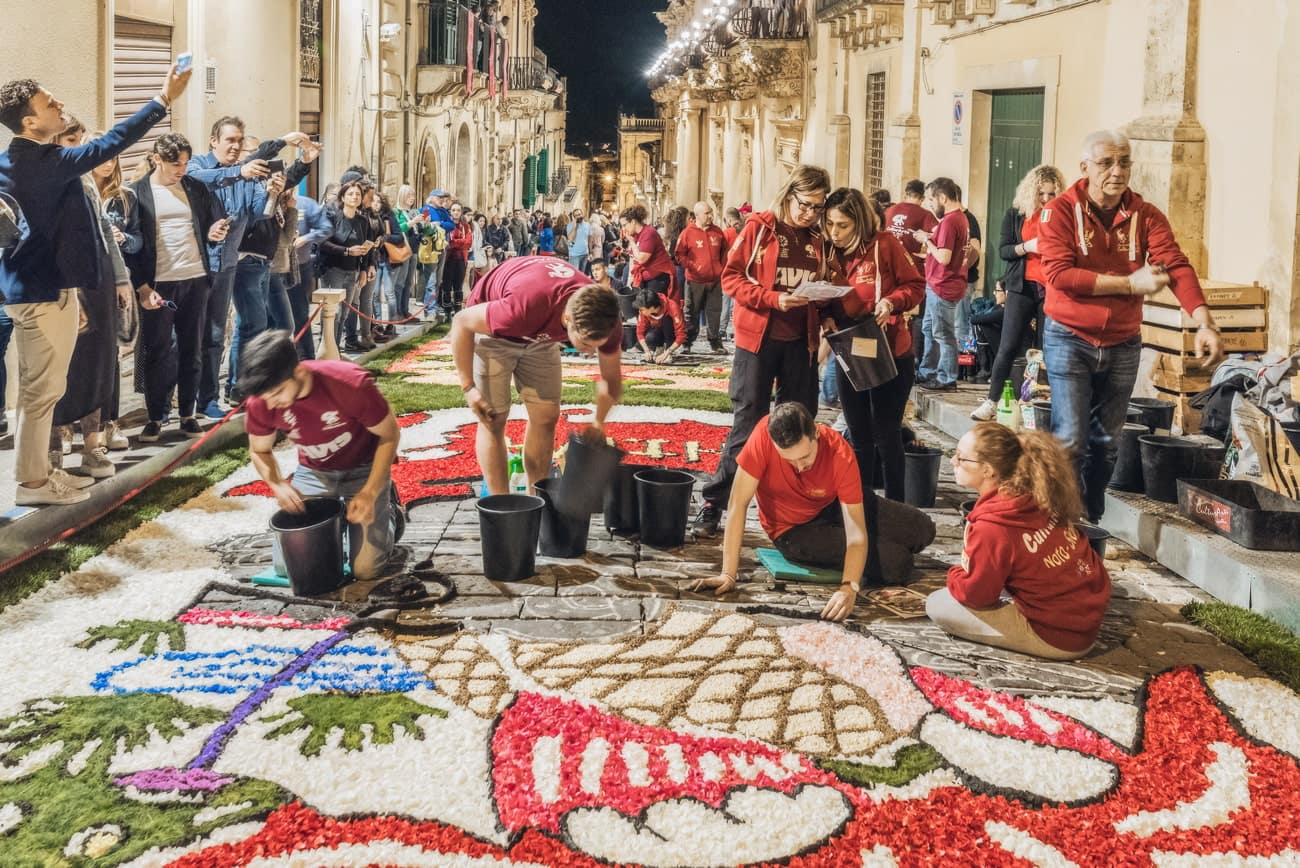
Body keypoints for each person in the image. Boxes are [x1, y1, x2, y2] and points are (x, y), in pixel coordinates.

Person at [0, 66, 188, 506]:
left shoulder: (11, 162)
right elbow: (109, 143)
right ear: (29, 122)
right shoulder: (41, 162)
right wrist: (162, 100)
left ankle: (39, 473)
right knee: (42, 390)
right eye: (50, 104)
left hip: (35, 291)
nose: (60, 105)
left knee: (38, 389)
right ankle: (32, 485)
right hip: (45, 293)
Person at [1039, 130, 1220, 522]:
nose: (1117, 171)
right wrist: (1129, 284)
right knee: (1070, 438)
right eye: (1106, 163)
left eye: (1124, 162)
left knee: (1107, 444)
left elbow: (1175, 264)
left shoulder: (1146, 215)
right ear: (1085, 168)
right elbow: (1059, 275)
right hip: (1069, 337)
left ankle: (1090, 518)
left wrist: (1204, 321)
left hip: (1122, 340)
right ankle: (1061, 522)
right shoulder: (1058, 212)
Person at [696, 165, 831, 536]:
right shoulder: (761, 227)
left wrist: (825, 308)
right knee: (748, 422)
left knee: (801, 422)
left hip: (800, 343)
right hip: (758, 340)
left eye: (817, 208)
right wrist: (773, 299)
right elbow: (731, 278)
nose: (809, 214)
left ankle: (797, 511)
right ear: (789, 195)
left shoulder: (819, 239)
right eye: (805, 205)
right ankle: (714, 504)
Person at [926, 423, 1111, 660]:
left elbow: (976, 596)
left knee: (938, 603)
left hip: (1059, 636)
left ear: (989, 470)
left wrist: (955, 574)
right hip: (1084, 615)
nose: (953, 462)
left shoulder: (992, 527)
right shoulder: (1037, 489)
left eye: (962, 458)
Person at [449, 256, 622, 494]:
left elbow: (611, 378)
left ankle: (537, 497)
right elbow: (461, 322)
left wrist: (599, 422)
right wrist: (468, 387)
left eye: (597, 345)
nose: (593, 351)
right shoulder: (522, 307)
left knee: (547, 415)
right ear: (568, 319)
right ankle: (503, 505)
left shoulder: (605, 318)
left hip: (541, 335)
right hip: (494, 329)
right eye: (585, 344)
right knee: (493, 418)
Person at [241, 330, 402, 582]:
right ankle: (340, 525)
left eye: (278, 393)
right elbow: (259, 450)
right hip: (314, 470)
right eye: (266, 397)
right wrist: (277, 484)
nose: (272, 404)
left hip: (364, 467)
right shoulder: (262, 401)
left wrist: (371, 492)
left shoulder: (350, 384)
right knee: (289, 565)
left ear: (300, 372)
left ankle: (390, 511)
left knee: (366, 570)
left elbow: (390, 434)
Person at [692, 403, 867, 622]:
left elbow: (856, 531)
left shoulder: (838, 451)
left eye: (805, 457)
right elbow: (738, 504)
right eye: (788, 460)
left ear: (817, 432)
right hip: (792, 530)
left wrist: (849, 587)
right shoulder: (762, 436)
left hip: (829, 505)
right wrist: (728, 573)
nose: (799, 467)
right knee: (894, 563)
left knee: (918, 528)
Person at [187, 118, 309, 418]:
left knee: (216, 334)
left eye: (239, 140)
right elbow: (201, 179)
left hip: (227, 264)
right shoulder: (197, 166)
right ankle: (178, 406)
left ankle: (208, 399)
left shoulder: (246, 178)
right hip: (193, 266)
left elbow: (259, 214)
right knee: (190, 335)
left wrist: (272, 191)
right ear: (213, 140)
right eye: (230, 140)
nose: (236, 145)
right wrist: (241, 171)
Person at [823, 187, 925, 503]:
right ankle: (860, 505)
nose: (835, 233)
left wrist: (892, 303)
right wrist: (824, 315)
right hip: (848, 351)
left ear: (860, 222)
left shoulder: (884, 245)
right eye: (830, 224)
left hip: (890, 351)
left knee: (887, 433)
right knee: (858, 435)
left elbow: (916, 285)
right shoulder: (827, 252)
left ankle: (895, 507)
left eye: (842, 226)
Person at [126, 133, 227, 441]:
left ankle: (187, 414)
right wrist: (142, 287)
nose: (181, 169)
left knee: (191, 348)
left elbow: (213, 224)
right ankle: (155, 417)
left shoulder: (196, 188)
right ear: (157, 159)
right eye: (174, 163)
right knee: (158, 349)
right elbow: (133, 247)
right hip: (160, 285)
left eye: (184, 162)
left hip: (195, 280)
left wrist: (214, 232)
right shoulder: (137, 192)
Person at [972, 164, 1066, 420]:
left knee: (1049, 348)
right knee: (1008, 344)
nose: (1046, 199)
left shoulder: (1061, 216)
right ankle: (992, 401)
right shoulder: (1016, 214)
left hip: (1050, 288)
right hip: (1021, 286)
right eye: (1041, 194)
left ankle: (1047, 405)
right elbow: (1004, 250)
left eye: (1051, 195)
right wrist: (1028, 246)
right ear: (1031, 192)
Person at [914, 177, 968, 392]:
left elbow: (944, 257)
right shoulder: (960, 218)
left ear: (942, 198)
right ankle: (928, 371)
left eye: (930, 199)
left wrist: (926, 241)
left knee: (943, 334)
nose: (929, 204)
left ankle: (946, 378)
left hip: (943, 285)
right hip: (940, 284)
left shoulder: (949, 221)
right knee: (929, 328)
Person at [319, 179, 375, 352]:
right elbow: (323, 242)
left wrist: (364, 269)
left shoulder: (362, 220)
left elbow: (367, 245)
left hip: (352, 271)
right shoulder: (332, 216)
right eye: (350, 194)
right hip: (332, 269)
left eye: (358, 194)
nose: (354, 197)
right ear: (342, 197)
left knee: (344, 313)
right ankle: (326, 348)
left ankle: (335, 347)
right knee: (332, 312)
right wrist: (347, 251)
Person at [675, 200, 728, 352]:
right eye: (707, 213)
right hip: (694, 280)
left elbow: (725, 251)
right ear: (697, 215)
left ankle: (715, 342)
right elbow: (679, 255)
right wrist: (692, 266)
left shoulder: (717, 231)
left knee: (714, 311)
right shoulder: (687, 233)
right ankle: (687, 342)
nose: (710, 216)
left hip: (715, 280)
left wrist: (722, 267)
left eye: (711, 212)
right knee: (691, 311)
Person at [620, 204, 675, 299]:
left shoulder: (649, 233)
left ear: (633, 222)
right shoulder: (636, 235)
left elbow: (641, 259)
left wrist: (632, 242)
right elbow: (634, 258)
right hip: (646, 277)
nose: (623, 229)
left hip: (657, 278)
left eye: (625, 225)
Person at [634, 287, 687, 363]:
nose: (640, 311)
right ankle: (657, 348)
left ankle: (668, 350)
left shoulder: (672, 306)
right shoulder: (644, 311)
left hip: (670, 334)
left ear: (652, 308)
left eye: (642, 309)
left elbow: (681, 335)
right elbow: (639, 332)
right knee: (650, 338)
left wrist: (668, 352)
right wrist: (647, 351)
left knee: (667, 321)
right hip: (656, 331)